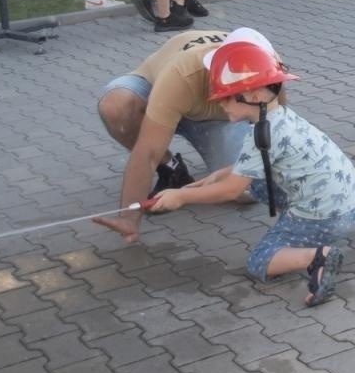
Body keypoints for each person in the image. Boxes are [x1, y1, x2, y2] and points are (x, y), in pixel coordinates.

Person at [97, 30, 355, 308]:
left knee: (260, 260)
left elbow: (231, 189)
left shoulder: (261, 130)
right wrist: (220, 173)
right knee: (255, 180)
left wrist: (182, 196)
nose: (219, 102)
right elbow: (245, 168)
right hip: (348, 201)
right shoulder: (275, 117)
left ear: (256, 93)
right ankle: (299, 223)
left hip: (327, 215)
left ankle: (319, 256)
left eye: (227, 96)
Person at [93, 27, 265, 244]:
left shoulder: (267, 70)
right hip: (164, 91)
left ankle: (202, 169)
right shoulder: (181, 75)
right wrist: (129, 218)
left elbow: (274, 136)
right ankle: (172, 170)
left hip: (216, 115)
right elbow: (147, 152)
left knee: (250, 188)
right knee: (116, 106)